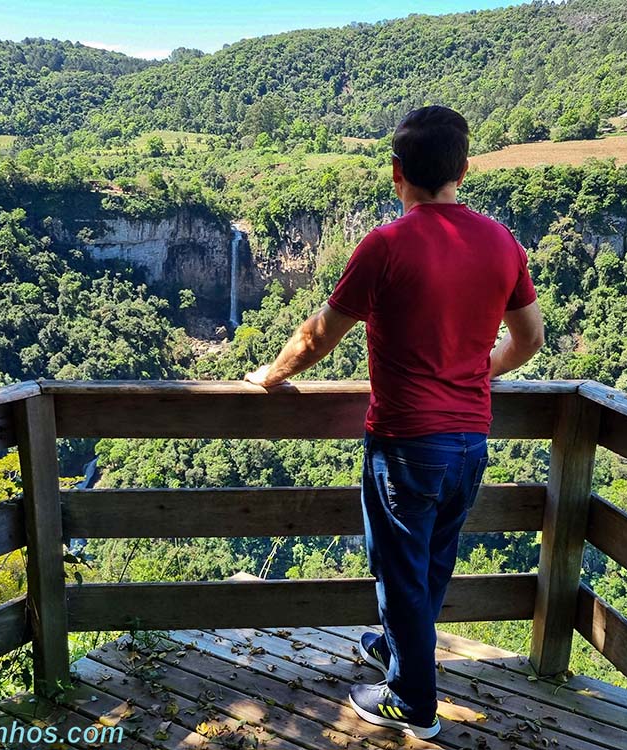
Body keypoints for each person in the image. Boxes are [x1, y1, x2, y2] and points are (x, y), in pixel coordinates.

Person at [244, 105, 544, 739]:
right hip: (470, 440)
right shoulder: (502, 242)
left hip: (407, 444)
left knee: (399, 566)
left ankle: (413, 700)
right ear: (464, 168)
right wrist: (473, 373)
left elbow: (319, 335)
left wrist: (269, 377)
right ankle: (395, 650)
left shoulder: (385, 245)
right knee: (430, 562)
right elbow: (529, 338)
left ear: (395, 171)